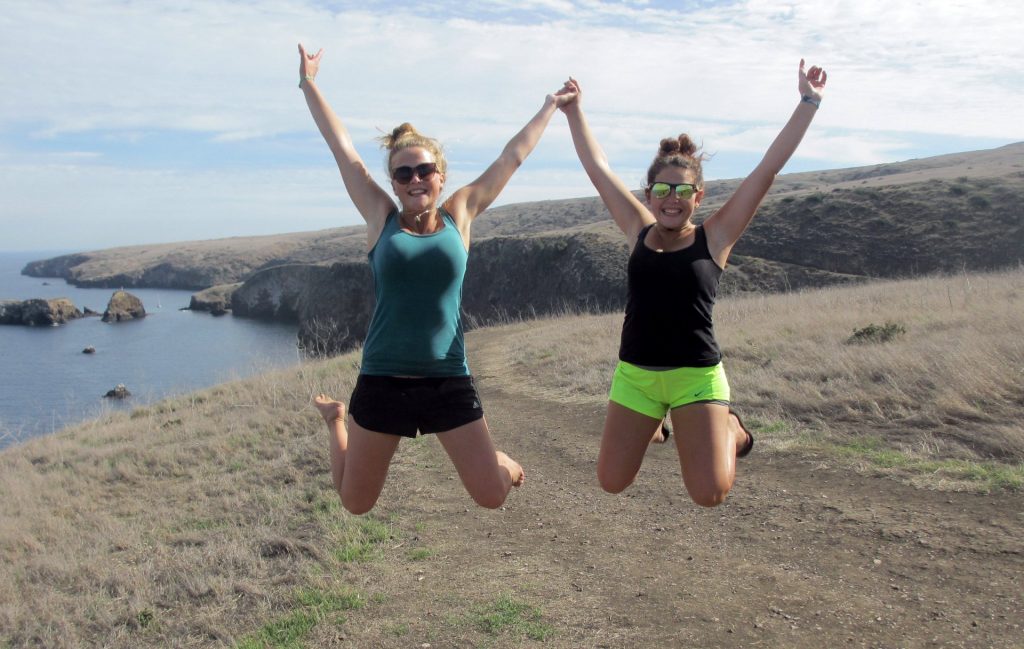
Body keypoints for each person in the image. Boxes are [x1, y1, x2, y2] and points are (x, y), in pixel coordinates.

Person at [298, 44, 576, 514]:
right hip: (383, 378)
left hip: (447, 378)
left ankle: (498, 462)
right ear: (393, 182)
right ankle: (335, 421)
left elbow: (512, 157)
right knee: (355, 502)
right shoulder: (380, 219)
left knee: (491, 495)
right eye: (403, 172)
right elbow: (343, 150)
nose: (414, 178)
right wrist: (309, 84)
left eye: (424, 169)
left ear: (440, 175)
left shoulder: (460, 214)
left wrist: (550, 105)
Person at [558, 60, 827, 507]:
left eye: (683, 191)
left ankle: (731, 428)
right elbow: (598, 168)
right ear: (649, 194)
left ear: (697, 197)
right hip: (636, 376)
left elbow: (766, 169)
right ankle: (659, 422)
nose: (671, 199)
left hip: (696, 378)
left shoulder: (715, 237)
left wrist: (808, 102)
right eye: (662, 190)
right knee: (611, 481)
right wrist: (574, 113)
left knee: (709, 494)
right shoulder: (636, 230)